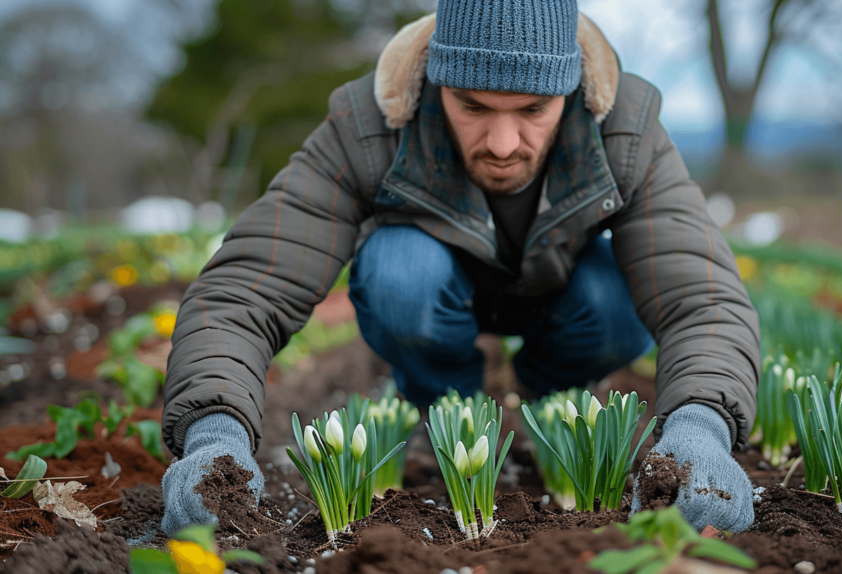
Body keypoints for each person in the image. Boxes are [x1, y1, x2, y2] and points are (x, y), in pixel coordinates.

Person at [160, 0, 761, 537]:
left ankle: (540, 404)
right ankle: (445, 409)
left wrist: (701, 432)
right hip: (430, 292)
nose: (503, 142)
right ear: (434, 82)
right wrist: (215, 436)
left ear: (571, 89)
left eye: (533, 109)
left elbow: (702, 299)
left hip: (564, 299)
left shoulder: (623, 128)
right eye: (472, 106)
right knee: (398, 272)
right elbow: (244, 289)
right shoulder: (370, 126)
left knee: (619, 298)